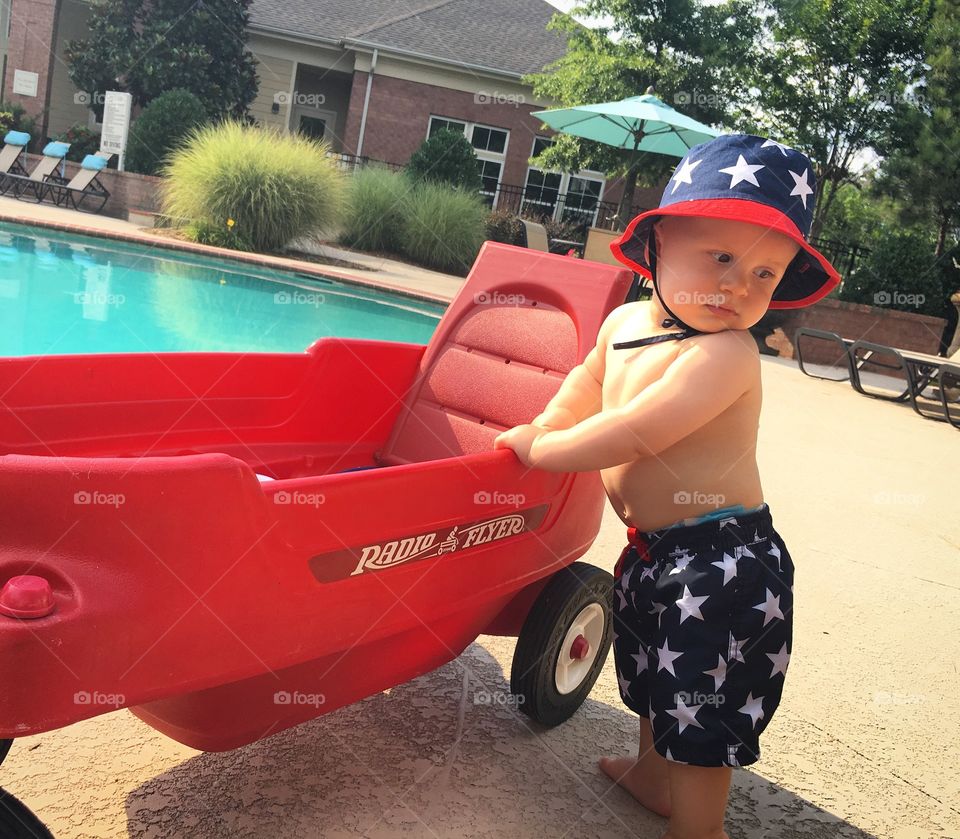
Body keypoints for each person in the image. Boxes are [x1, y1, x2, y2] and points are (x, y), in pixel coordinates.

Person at [493, 133, 840, 839]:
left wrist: (544, 450)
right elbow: (586, 386)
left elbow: (638, 431)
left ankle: (698, 826)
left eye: (766, 275)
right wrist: (549, 420)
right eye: (722, 258)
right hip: (656, 551)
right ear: (656, 247)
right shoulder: (624, 323)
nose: (741, 287)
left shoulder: (727, 354)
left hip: (724, 564)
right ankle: (653, 778)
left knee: (702, 699)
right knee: (653, 670)